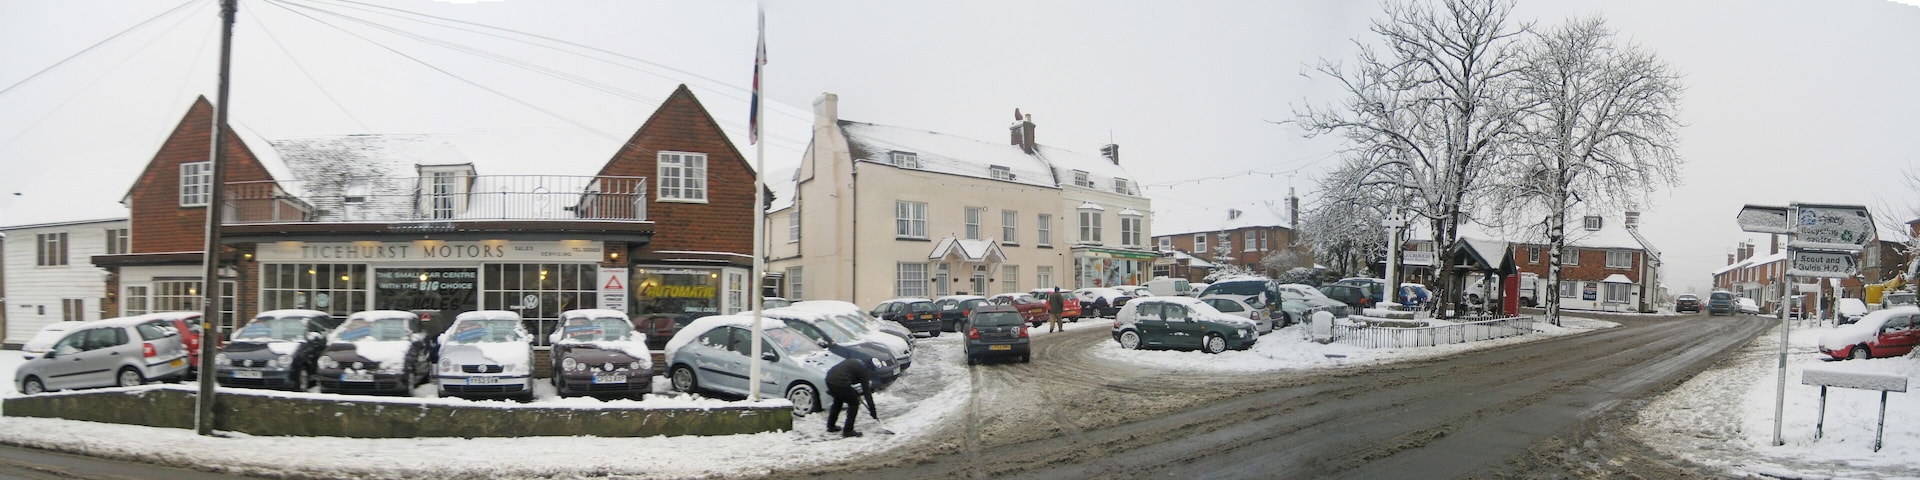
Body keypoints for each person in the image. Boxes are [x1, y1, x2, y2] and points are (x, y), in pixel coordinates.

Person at [824, 357, 877, 437]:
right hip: (840, 382)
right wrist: (872, 409)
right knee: (854, 403)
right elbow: (867, 393)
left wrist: (851, 390)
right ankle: (848, 431)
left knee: (838, 401)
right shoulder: (863, 371)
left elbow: (848, 375)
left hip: (829, 378)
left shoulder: (855, 361)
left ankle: (831, 426)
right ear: (869, 368)